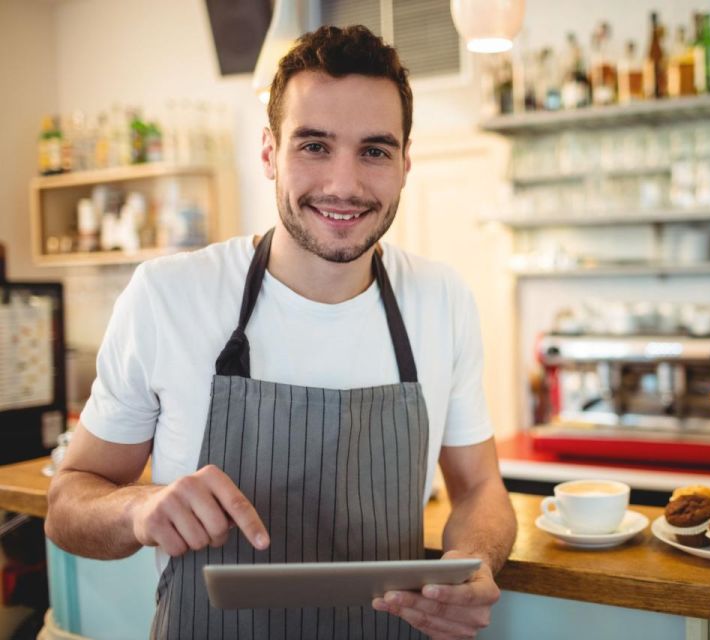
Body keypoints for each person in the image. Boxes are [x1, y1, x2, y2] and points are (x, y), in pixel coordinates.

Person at [45, 24, 517, 640]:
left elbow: (480, 486)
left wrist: (475, 560)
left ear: (405, 162)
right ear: (269, 153)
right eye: (314, 146)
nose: (343, 185)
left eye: (374, 150)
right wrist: (138, 508)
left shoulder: (441, 299)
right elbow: (67, 504)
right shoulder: (169, 296)